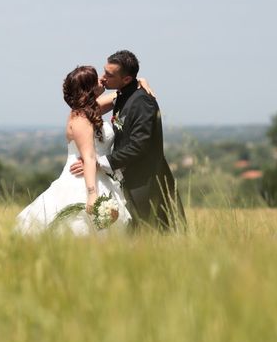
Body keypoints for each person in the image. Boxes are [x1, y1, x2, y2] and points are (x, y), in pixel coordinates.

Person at [71, 51, 186, 231]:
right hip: (128, 180)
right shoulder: (122, 95)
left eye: (110, 75)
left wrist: (100, 163)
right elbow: (85, 109)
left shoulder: (142, 101)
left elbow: (139, 145)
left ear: (125, 79)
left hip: (146, 183)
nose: (103, 78)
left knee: (154, 234)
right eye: (104, 71)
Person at [15, 65, 132, 235]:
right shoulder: (80, 119)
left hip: (100, 175)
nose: (102, 79)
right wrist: (92, 194)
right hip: (84, 180)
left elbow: (120, 94)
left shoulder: (91, 110)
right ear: (89, 88)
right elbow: (89, 158)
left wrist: (139, 82)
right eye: (96, 78)